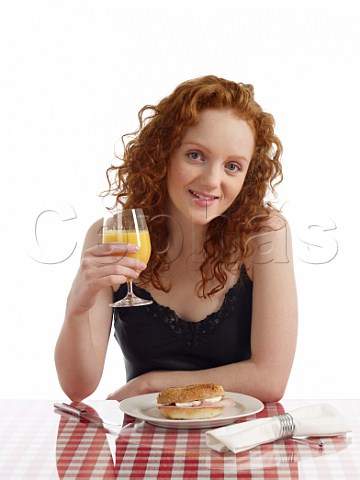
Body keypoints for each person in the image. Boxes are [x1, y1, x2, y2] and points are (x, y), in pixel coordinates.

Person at [55, 75, 298, 403]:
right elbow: (77, 387)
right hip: (144, 445)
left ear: (248, 176)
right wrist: (77, 305)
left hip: (239, 445)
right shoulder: (111, 235)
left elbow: (270, 379)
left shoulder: (263, 234)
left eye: (232, 166)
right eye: (196, 155)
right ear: (164, 152)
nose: (212, 181)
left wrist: (150, 384)